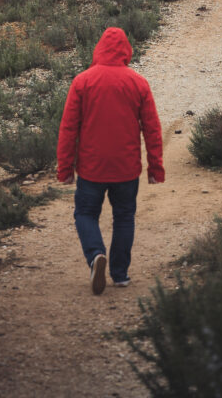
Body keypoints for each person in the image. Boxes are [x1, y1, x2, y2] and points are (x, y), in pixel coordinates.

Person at [56, 26, 165, 295]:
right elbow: (152, 128)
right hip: (126, 169)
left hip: (91, 168)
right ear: (126, 50)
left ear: (99, 48)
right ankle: (120, 274)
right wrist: (155, 167)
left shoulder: (82, 81)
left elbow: (69, 128)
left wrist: (65, 168)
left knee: (85, 213)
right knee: (124, 217)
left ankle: (95, 256)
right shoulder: (138, 83)